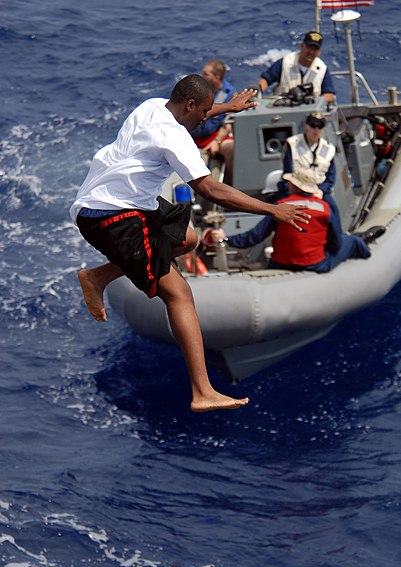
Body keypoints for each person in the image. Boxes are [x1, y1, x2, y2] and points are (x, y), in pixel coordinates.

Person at [70, 74, 311, 413]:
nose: (204, 117)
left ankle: (98, 276)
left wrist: (228, 107)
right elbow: (213, 191)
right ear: (190, 105)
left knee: (189, 238)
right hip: (111, 219)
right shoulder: (174, 137)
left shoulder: (153, 106)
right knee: (179, 293)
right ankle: (202, 391)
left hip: (122, 203)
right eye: (205, 111)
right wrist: (272, 209)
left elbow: (192, 117)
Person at [211, 169, 383, 274]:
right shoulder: (325, 207)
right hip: (315, 264)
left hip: (281, 263)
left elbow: (255, 236)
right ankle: (366, 250)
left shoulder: (280, 206)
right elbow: (336, 243)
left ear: (295, 186)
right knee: (350, 240)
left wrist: (226, 239)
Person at [258, 31, 336, 103]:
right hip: (282, 109)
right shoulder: (286, 62)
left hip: (310, 112)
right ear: (302, 46)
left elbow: (329, 94)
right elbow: (265, 79)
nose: (311, 52)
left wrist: (315, 101)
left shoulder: (322, 69)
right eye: (308, 47)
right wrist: (257, 92)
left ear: (319, 52)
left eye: (315, 49)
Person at [191, 60, 235, 184]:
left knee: (230, 148)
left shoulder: (229, 94)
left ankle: (232, 186)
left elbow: (229, 122)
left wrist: (217, 141)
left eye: (206, 74)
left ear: (216, 77)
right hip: (192, 135)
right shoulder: (196, 89)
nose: (202, 76)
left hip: (214, 135)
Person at [278, 111, 336, 201]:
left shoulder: (329, 149)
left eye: (320, 126)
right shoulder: (293, 144)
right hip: (297, 189)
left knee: (332, 211)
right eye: (313, 125)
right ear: (306, 126)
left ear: (323, 129)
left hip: (319, 191)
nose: (316, 130)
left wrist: (321, 190)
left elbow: (330, 177)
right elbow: (287, 172)